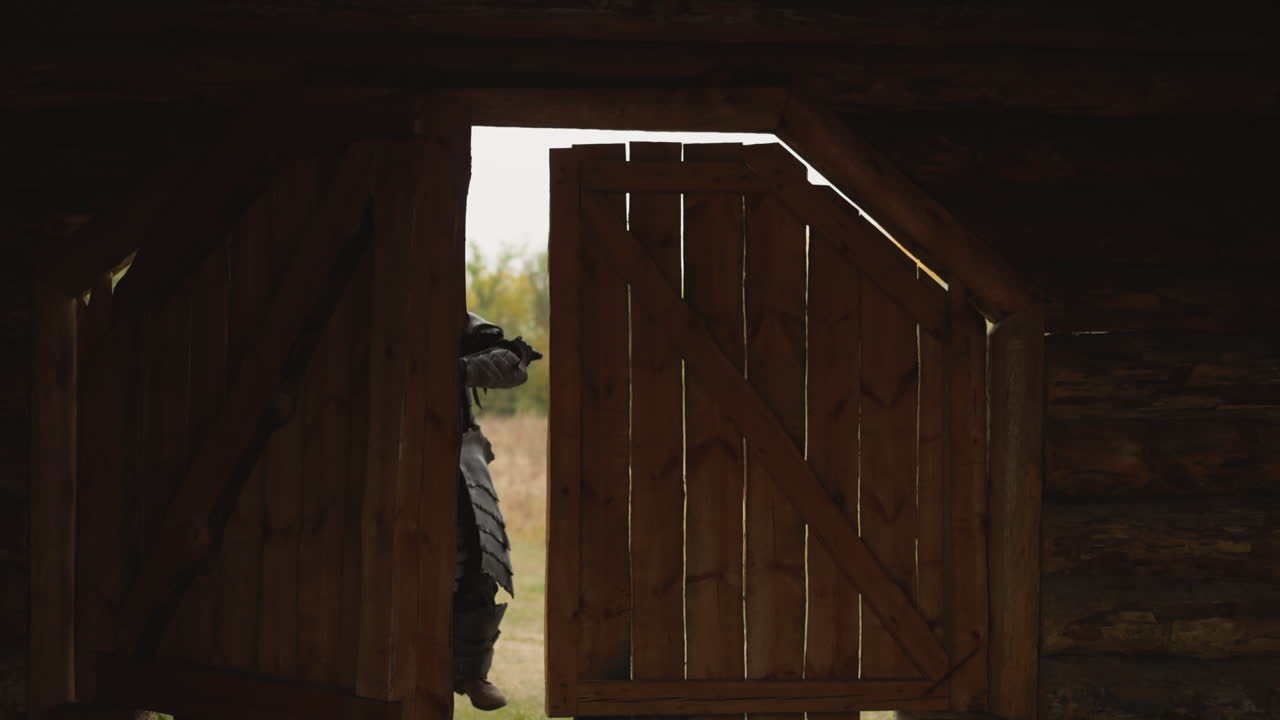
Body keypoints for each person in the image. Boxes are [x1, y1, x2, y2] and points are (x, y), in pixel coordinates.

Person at [452, 311, 539, 711]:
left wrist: (451, 370)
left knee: (478, 559)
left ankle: (472, 671)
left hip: (455, 453)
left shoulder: (454, 316)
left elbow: (512, 363)